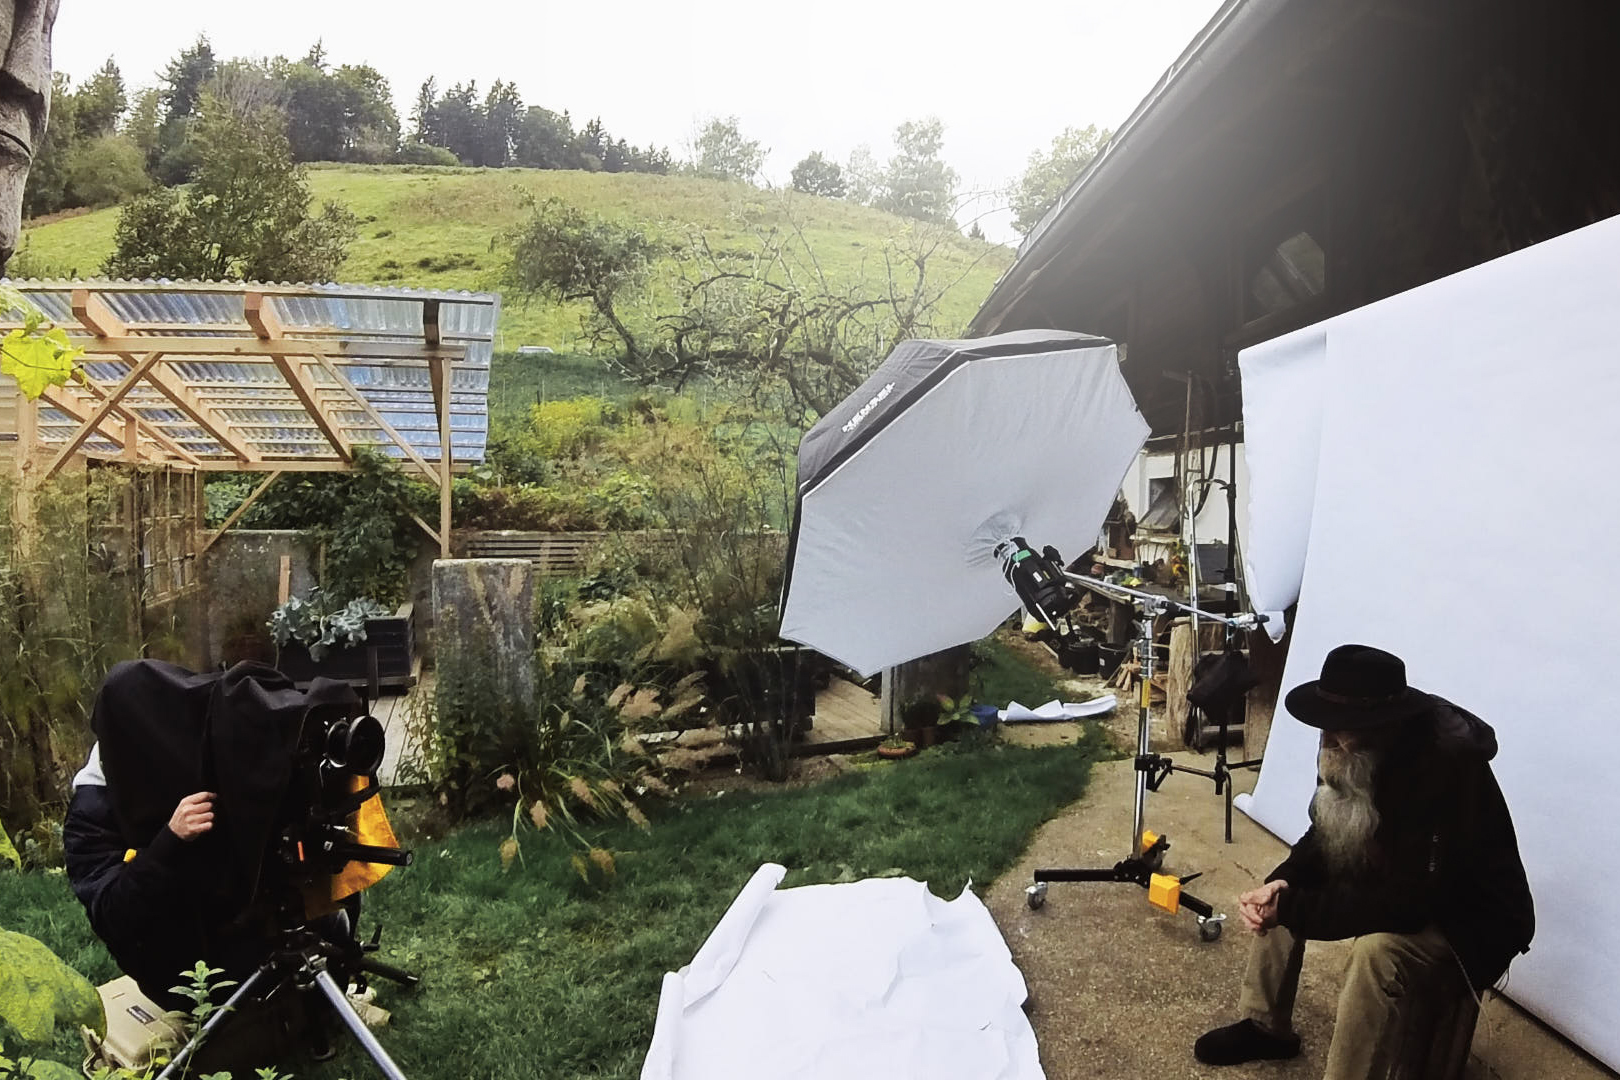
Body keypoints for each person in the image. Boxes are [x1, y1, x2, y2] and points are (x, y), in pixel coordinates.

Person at [1194, 644, 1534, 1077]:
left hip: (1467, 917)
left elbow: (1409, 902)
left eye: (1341, 728)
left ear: (1381, 727)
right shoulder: (1348, 750)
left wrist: (1296, 910)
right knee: (1280, 891)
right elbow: (1325, 836)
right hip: (1406, 883)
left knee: (1375, 954)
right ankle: (1265, 1025)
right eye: (1325, 725)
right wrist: (1283, 883)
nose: (1328, 739)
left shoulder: (1441, 770)